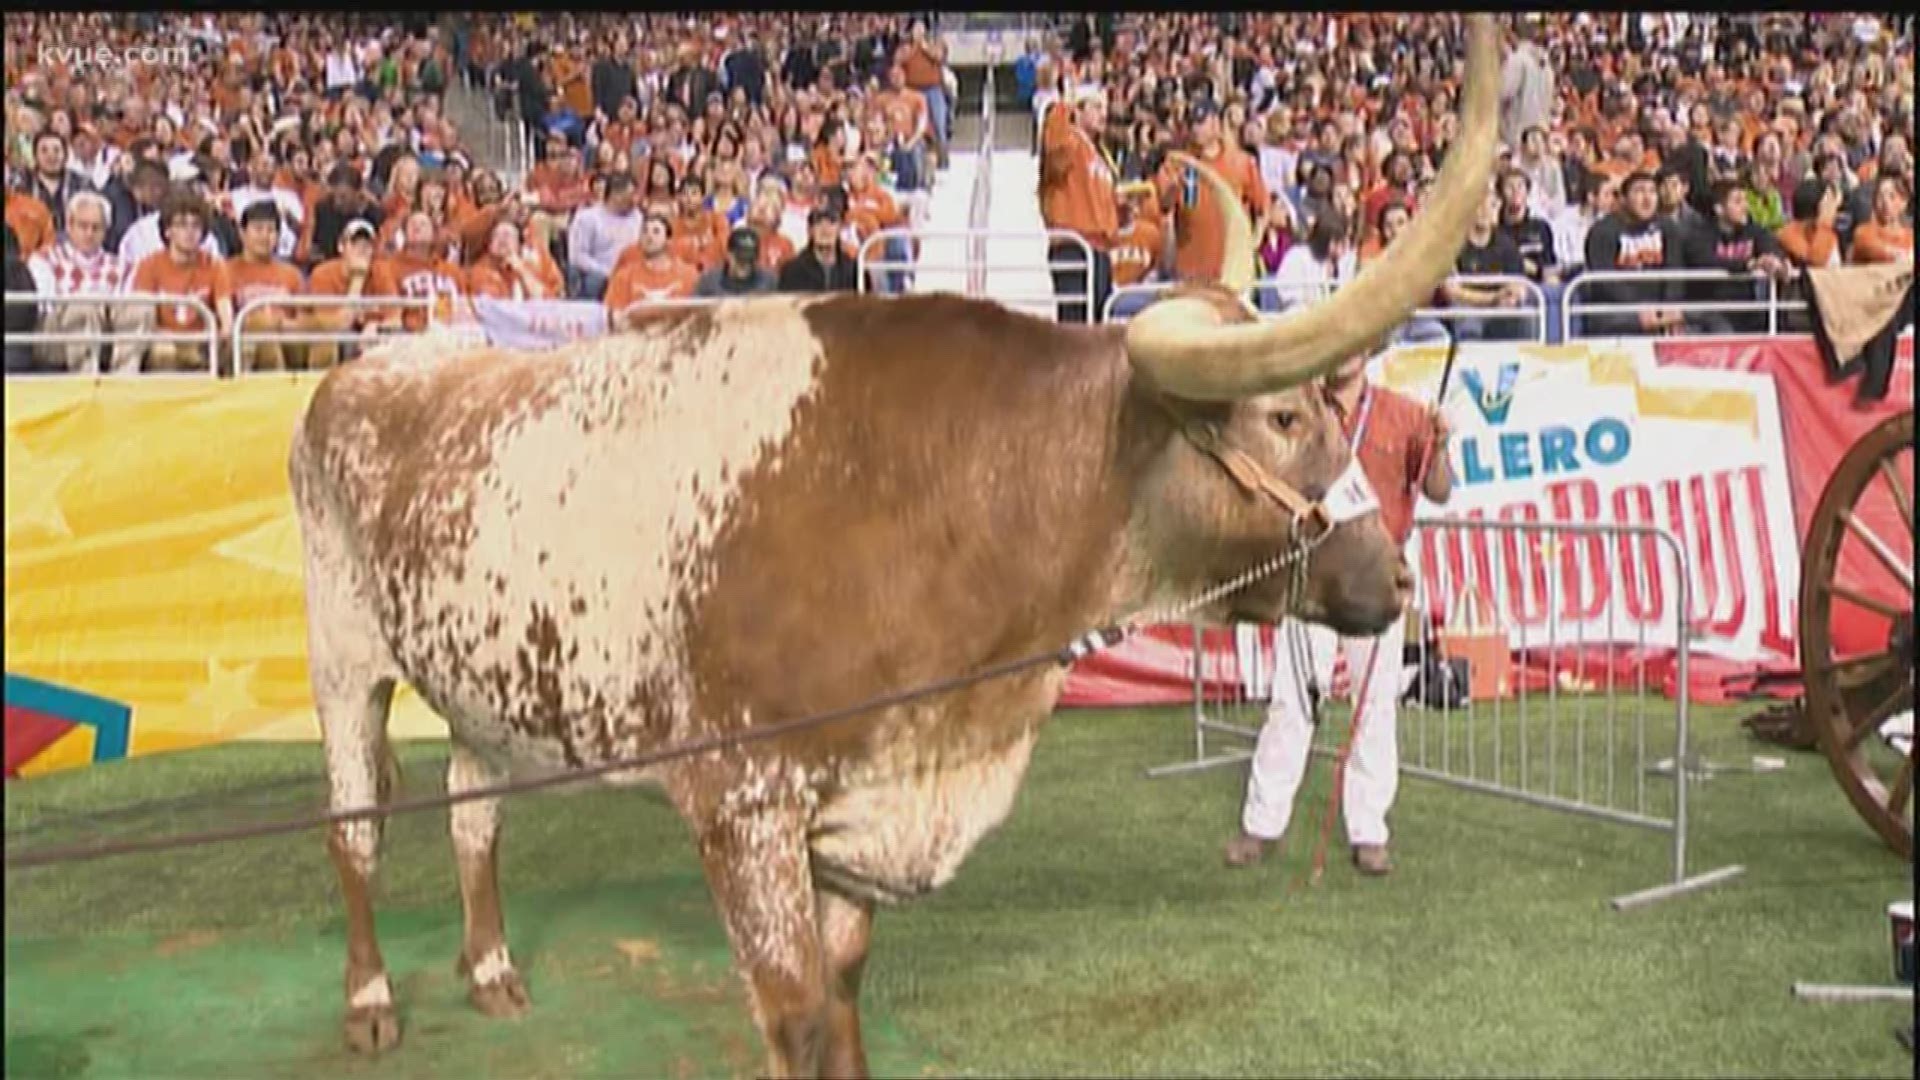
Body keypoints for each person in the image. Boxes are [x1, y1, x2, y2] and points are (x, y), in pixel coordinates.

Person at [1225, 345, 1453, 876]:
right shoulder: (1301, 414)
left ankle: (1369, 829)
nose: (1342, 353)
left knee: (1375, 704)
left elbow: (1439, 490)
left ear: (1370, 350)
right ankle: (1261, 823)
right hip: (1316, 577)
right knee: (1291, 698)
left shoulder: (1406, 414)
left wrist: (1440, 446)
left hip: (1375, 578)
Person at [776, 207, 861, 293]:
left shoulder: (853, 270)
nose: (825, 230)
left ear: (840, 229)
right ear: (810, 230)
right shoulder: (793, 270)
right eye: (818, 223)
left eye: (831, 222)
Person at [694, 227, 776, 297]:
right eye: (740, 260)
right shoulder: (709, 280)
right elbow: (695, 310)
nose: (745, 265)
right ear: (729, 255)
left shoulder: (768, 281)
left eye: (750, 261)